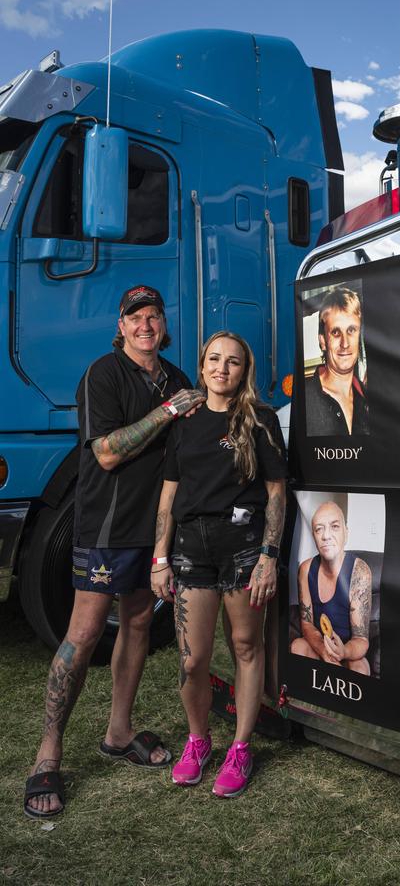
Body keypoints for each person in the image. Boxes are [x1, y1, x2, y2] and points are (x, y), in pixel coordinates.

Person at [24, 285, 205, 820]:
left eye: (153, 315)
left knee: (141, 625)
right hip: (106, 527)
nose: (146, 324)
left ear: (163, 324)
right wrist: (170, 412)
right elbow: (104, 454)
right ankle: (47, 754)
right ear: (121, 326)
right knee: (82, 634)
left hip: (156, 528)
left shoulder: (176, 377)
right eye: (135, 317)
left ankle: (118, 731)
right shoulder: (102, 374)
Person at [151, 330, 287, 797]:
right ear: (203, 364)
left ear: (243, 370)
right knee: (192, 662)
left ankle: (241, 748)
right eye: (213, 359)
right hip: (191, 549)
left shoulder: (260, 419)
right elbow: (169, 494)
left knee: (246, 646)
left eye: (232, 361)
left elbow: (276, 494)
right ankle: (199, 741)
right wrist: (160, 558)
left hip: (245, 548)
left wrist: (269, 557)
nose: (221, 369)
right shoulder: (184, 421)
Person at [291, 501, 372, 675]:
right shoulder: (305, 570)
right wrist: (325, 652)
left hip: (348, 649)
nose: (326, 535)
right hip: (319, 644)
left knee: (360, 667)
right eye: (319, 529)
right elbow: (306, 623)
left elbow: (361, 639)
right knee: (298, 646)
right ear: (313, 536)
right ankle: (304, 698)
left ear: (346, 532)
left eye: (334, 526)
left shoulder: (360, 571)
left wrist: (343, 652)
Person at [305, 287, 369, 436]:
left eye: (351, 330)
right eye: (335, 332)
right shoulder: (306, 400)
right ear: (323, 341)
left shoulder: (367, 398)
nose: (345, 343)